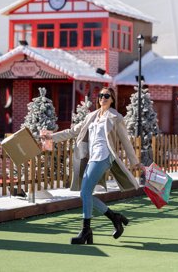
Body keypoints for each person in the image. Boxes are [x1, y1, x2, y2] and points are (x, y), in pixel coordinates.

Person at [41, 87, 144, 245]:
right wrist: (51, 136)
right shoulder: (92, 116)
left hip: (104, 156)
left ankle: (86, 230)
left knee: (85, 191)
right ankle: (114, 217)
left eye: (106, 96)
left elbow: (125, 141)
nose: (103, 98)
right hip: (92, 157)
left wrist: (135, 162)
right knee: (85, 194)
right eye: (101, 95)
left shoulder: (116, 117)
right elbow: (73, 131)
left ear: (112, 99)